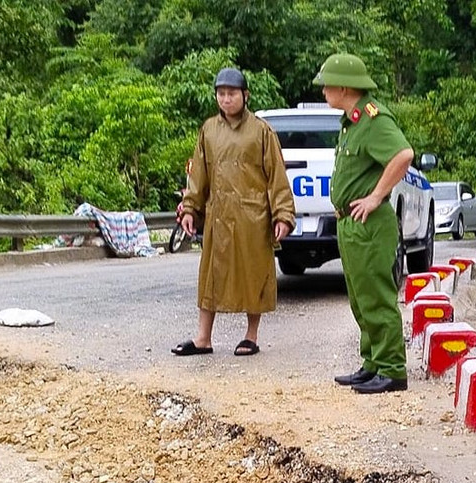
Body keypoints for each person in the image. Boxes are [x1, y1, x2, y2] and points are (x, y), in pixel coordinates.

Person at [172, 67, 295, 358]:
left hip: (253, 216)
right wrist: (190, 208)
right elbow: (198, 175)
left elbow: (276, 176)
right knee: (210, 276)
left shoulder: (261, 131)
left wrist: (282, 214)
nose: (226, 99)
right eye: (221, 94)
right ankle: (203, 338)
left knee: (254, 274)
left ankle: (251, 336)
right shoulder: (208, 130)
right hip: (218, 215)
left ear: (245, 95)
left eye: (232, 94)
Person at [313, 53, 414, 395]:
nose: (323, 90)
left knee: (376, 296)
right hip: (350, 223)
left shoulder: (373, 118)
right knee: (360, 298)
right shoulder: (352, 122)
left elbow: (403, 155)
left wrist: (375, 196)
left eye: (327, 85)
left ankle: (392, 369)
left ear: (344, 87)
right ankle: (373, 363)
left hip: (370, 222)